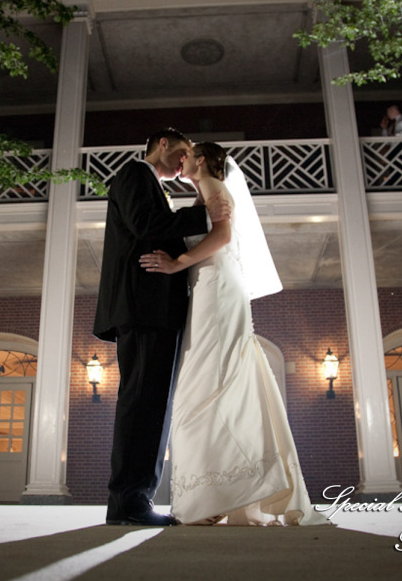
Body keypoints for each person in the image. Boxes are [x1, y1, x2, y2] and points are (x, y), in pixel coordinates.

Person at [140, 143, 328, 527]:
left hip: (216, 284)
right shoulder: (205, 190)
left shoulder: (211, 183)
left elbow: (223, 236)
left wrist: (177, 264)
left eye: (188, 154)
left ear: (203, 160)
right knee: (208, 379)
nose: (183, 160)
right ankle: (223, 490)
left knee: (206, 380)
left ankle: (216, 494)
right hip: (209, 283)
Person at [94, 128, 232, 527]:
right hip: (142, 307)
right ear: (163, 144)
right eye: (183, 151)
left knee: (152, 404)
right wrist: (204, 213)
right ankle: (129, 502)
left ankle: (135, 499)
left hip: (156, 309)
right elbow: (144, 223)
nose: (184, 161)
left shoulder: (153, 183)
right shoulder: (134, 174)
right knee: (142, 405)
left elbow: (157, 225)